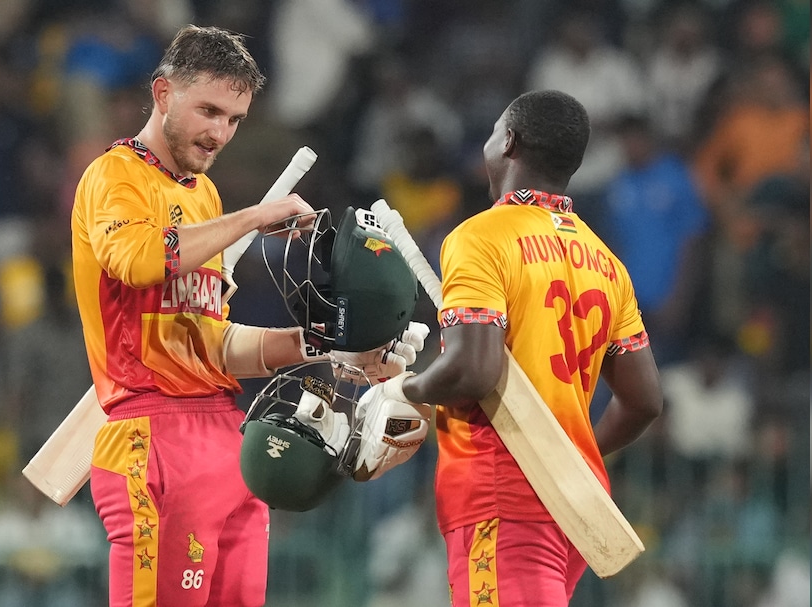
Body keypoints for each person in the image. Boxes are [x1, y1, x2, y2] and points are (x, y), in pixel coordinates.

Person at [71, 25, 422, 607]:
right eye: (209, 111)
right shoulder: (115, 175)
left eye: (234, 119)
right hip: (151, 434)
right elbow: (136, 260)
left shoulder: (202, 195)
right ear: (163, 93)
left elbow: (212, 342)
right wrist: (254, 218)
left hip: (228, 437)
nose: (220, 134)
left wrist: (326, 346)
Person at [358, 90, 664, 606]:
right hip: (574, 503)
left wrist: (403, 390)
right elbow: (644, 401)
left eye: (492, 132)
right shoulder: (605, 260)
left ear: (509, 143)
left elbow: (473, 370)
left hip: (500, 491)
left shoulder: (481, 237)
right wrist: (568, 455)